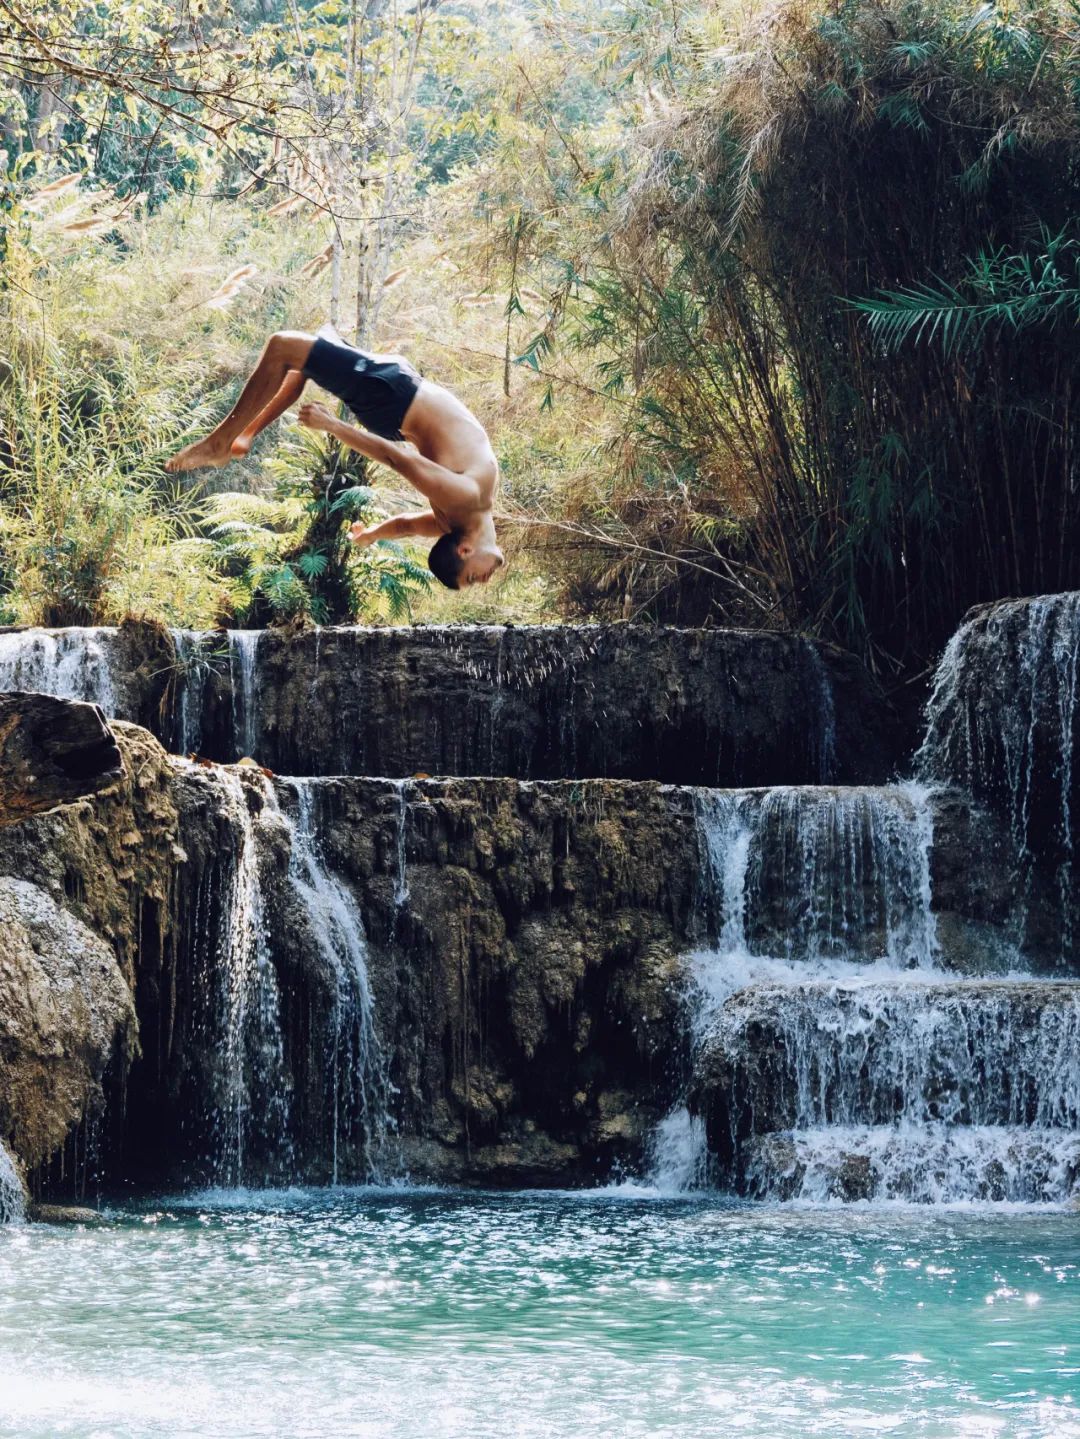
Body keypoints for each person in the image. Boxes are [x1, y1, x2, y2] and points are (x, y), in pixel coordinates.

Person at [166, 324, 504, 589]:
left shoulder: (461, 509)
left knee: (284, 347)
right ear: (464, 550)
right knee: (305, 359)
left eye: (473, 579)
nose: (483, 581)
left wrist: (333, 426)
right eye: (473, 578)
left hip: (392, 396)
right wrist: (370, 535)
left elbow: (400, 472)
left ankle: (221, 444)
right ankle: (243, 435)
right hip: (394, 391)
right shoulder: (463, 507)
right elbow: (405, 517)